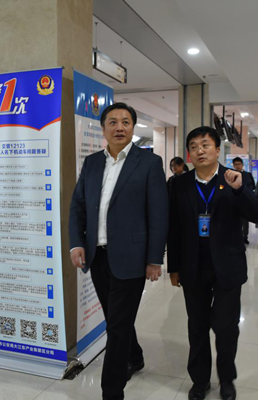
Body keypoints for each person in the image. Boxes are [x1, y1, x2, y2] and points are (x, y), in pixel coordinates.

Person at [69, 102, 168, 400]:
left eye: (125, 121)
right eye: (112, 122)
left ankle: (111, 392)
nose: (119, 127)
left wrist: (154, 259)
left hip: (132, 257)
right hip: (97, 255)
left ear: (133, 128)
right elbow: (78, 205)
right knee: (116, 319)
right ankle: (134, 356)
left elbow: (158, 214)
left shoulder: (149, 162)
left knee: (117, 326)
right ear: (103, 129)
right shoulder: (92, 163)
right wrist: (76, 242)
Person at [168, 126, 258, 400]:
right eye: (194, 147)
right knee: (197, 326)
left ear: (217, 150)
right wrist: (173, 266)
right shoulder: (179, 184)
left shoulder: (234, 178)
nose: (200, 151)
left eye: (205, 145)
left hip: (228, 266)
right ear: (189, 153)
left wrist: (240, 190)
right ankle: (200, 381)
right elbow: (173, 227)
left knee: (226, 327)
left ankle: (227, 379)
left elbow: (257, 214)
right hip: (193, 267)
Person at [232, 157, 255, 244]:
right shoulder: (231, 174)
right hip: (235, 200)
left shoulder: (248, 175)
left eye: (239, 164)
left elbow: (253, 186)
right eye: (236, 164)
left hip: (245, 201)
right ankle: (236, 237)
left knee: (245, 221)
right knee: (236, 220)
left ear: (242, 164)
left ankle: (245, 237)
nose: (238, 166)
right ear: (233, 165)